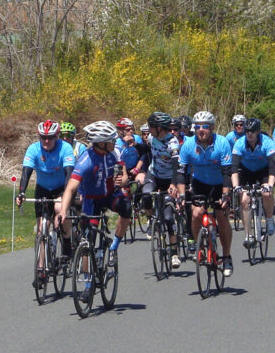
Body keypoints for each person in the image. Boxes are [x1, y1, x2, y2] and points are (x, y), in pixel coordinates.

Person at [56, 121, 132, 275]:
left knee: (127, 207)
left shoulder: (115, 152)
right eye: (111, 140)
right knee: (87, 240)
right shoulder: (86, 160)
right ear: (101, 144)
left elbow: (125, 177)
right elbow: (70, 188)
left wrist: (121, 181)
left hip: (111, 195)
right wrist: (63, 211)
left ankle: (113, 247)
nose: (114, 142)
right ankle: (87, 281)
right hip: (91, 199)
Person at [17, 119, 77, 286]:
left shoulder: (65, 148)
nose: (46, 141)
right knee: (42, 229)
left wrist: (66, 195)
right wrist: (21, 192)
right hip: (42, 188)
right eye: (43, 137)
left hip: (60, 187)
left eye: (50, 137)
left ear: (57, 136)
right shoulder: (33, 149)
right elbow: (26, 173)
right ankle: (41, 269)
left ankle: (66, 243)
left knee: (59, 208)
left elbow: (69, 174)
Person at [178, 111, 235, 277]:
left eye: (205, 127)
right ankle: (199, 247)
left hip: (218, 184)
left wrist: (225, 195)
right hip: (199, 183)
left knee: (222, 216)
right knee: (196, 214)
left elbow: (227, 173)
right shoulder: (188, 145)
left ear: (212, 128)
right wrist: (182, 196)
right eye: (197, 127)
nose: (201, 130)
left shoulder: (222, 143)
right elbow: (181, 173)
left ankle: (226, 256)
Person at [140, 111, 184, 268]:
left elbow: (175, 166)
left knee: (168, 218)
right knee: (145, 194)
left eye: (151, 126)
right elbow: (146, 152)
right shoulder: (151, 138)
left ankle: (174, 253)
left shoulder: (172, 143)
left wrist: (173, 184)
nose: (148, 129)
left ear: (159, 128)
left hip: (168, 179)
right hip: (154, 174)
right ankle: (151, 218)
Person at [230, 118, 275, 246]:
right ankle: (248, 235)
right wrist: (236, 186)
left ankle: (269, 219)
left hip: (263, 171)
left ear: (258, 132)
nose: (249, 134)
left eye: (252, 131)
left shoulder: (267, 143)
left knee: (266, 194)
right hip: (246, 171)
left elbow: (273, 167)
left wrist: (270, 185)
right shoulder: (240, 143)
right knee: (244, 200)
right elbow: (234, 167)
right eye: (247, 131)